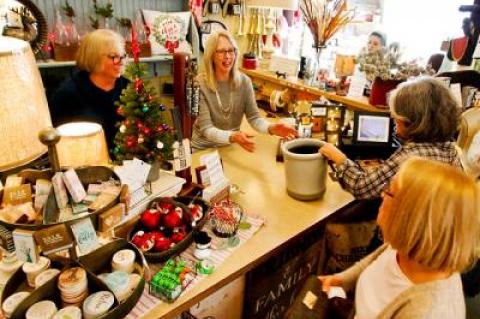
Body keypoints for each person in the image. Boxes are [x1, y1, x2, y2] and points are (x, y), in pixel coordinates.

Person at [319, 157, 480, 318]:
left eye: (389, 192)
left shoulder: (426, 313)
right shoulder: (407, 248)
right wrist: (341, 280)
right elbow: (377, 259)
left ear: (411, 218)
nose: (382, 195)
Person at [320, 77, 461, 199]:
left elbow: (360, 187)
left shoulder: (410, 157)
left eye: (395, 120)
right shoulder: (451, 150)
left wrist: (338, 157)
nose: (394, 125)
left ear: (410, 122)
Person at [191, 30, 297, 152]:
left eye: (231, 50)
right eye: (221, 51)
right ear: (211, 55)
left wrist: (271, 128)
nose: (228, 56)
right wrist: (233, 136)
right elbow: (206, 129)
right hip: (203, 149)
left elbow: (254, 118)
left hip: (228, 147)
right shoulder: (199, 84)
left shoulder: (244, 82)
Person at [49, 29, 128, 150]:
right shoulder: (68, 94)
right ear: (93, 58)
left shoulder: (130, 88)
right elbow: (57, 141)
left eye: (122, 56)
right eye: (113, 57)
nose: (121, 62)